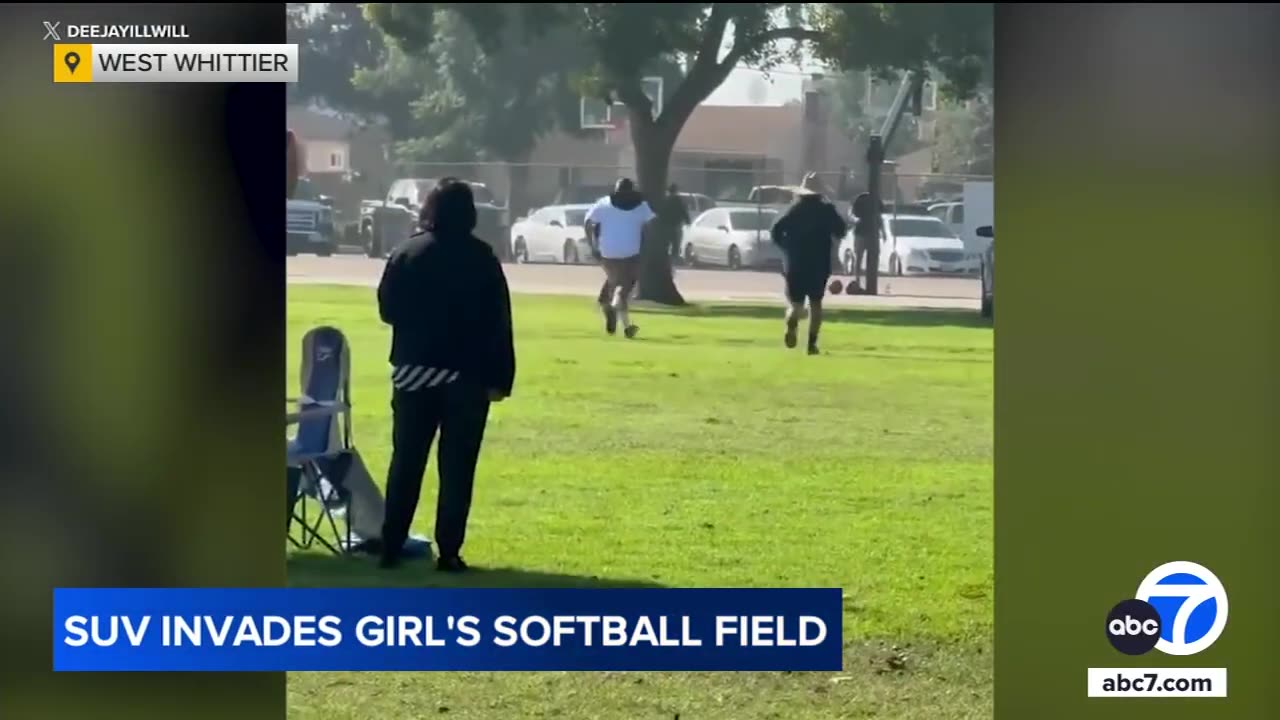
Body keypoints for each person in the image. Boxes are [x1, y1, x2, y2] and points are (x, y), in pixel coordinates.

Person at [376, 178, 516, 573]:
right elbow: (498, 321)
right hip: (466, 376)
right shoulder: (482, 257)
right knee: (457, 467)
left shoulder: (406, 253)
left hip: (414, 372)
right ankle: (449, 550)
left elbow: (387, 310)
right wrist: (500, 377)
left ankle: (391, 544)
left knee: (406, 460)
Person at [770, 173, 848, 355]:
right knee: (816, 304)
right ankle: (811, 344)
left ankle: (792, 319)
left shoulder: (793, 209)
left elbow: (775, 231)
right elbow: (841, 231)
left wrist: (786, 249)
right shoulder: (827, 210)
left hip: (795, 262)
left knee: (796, 304)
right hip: (819, 263)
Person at [585, 178, 654, 339]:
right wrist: (646, 243)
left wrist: (592, 245)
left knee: (613, 284)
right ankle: (614, 308)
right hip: (631, 252)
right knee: (624, 287)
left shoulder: (603, 203)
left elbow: (588, 222)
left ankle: (626, 326)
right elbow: (650, 225)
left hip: (607, 253)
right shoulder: (641, 206)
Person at [851, 191, 886, 287]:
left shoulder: (873, 200)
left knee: (863, 257)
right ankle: (858, 279)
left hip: (869, 233)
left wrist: (883, 232)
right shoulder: (865, 199)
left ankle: (865, 279)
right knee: (861, 257)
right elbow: (880, 217)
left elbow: (879, 217)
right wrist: (883, 232)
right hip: (865, 233)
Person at [657, 183, 691, 261]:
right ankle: (673, 258)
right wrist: (687, 221)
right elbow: (683, 211)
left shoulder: (665, 200)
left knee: (665, 243)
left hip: (665, 225)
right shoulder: (678, 200)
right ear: (676, 191)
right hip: (675, 225)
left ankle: (664, 258)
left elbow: (660, 212)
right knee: (675, 243)